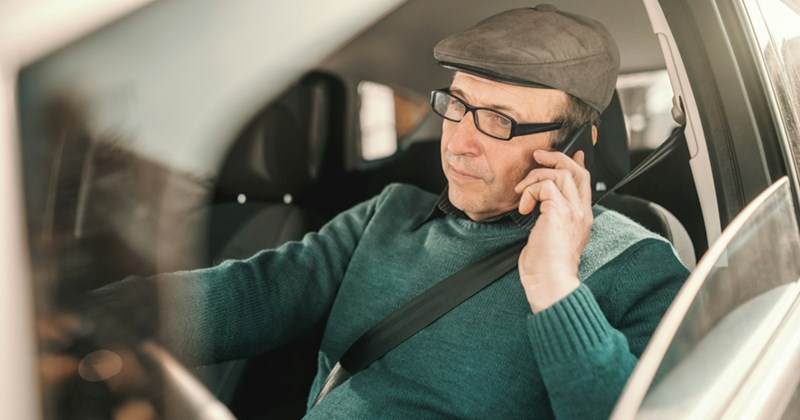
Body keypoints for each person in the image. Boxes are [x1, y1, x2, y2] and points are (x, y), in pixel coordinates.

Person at [94, 5, 688, 419]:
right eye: (457, 105)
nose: (455, 143)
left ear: (573, 146)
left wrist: (555, 287)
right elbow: (254, 292)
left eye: (499, 121)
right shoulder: (391, 213)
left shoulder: (639, 267)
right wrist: (85, 317)